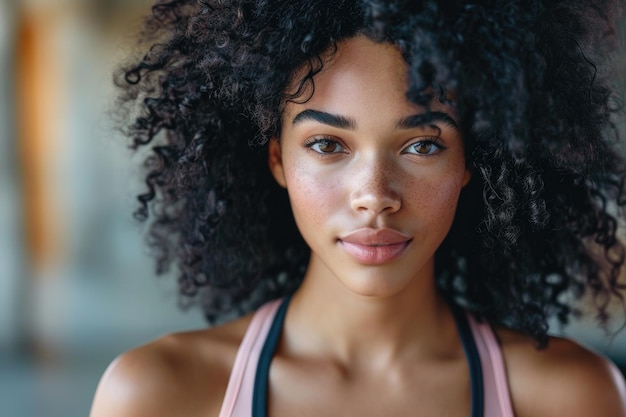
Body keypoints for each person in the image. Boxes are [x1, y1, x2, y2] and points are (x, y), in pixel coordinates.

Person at [90, 0, 626, 416]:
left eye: (423, 145)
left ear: (471, 163)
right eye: (327, 144)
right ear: (277, 160)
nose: (374, 194)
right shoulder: (158, 395)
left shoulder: (570, 397)